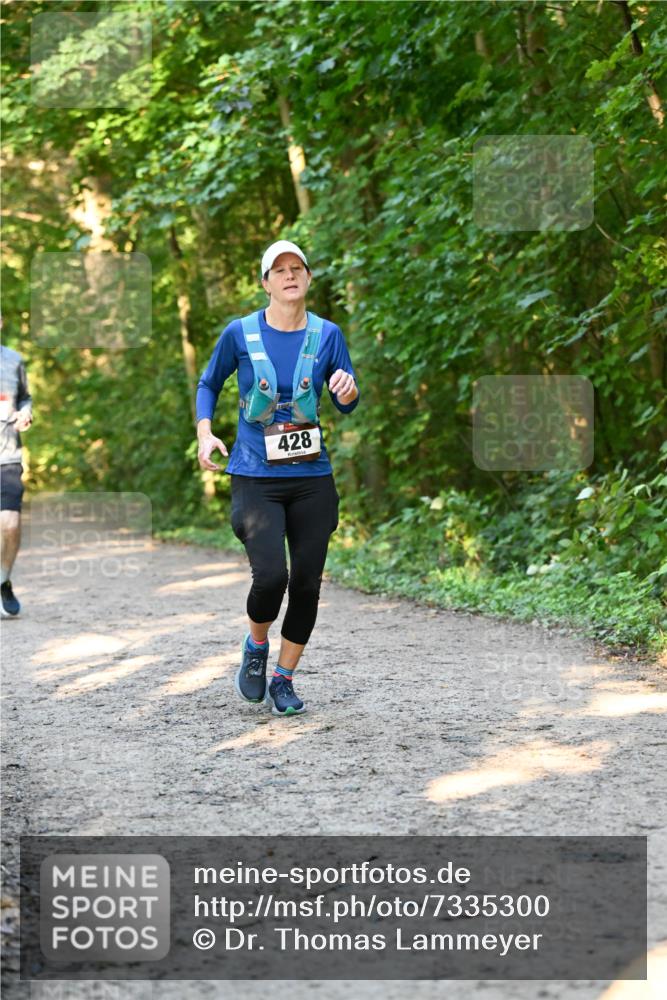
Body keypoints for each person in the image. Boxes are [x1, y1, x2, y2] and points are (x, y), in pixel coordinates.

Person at [196, 240, 359, 716]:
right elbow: (209, 383)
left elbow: (346, 400)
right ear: (265, 282)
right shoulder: (240, 332)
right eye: (279, 270)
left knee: (306, 584)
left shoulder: (328, 335)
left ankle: (284, 678)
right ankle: (256, 645)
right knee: (271, 577)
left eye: (297, 268)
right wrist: (205, 432)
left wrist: (348, 390)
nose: (290, 275)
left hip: (312, 477)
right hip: (255, 475)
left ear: (308, 278)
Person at [0, 329, 33, 619]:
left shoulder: (13, 360)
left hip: (7, 457)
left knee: (10, 524)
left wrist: (25, 412)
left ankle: (3, 581)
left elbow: (25, 398)